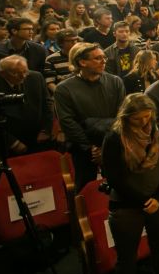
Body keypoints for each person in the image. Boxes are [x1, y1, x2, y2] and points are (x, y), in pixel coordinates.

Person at [101, 94, 159, 274]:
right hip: (127, 204)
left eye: (148, 117)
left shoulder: (157, 131)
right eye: (138, 119)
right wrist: (143, 201)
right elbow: (114, 178)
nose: (145, 123)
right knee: (127, 256)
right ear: (126, 118)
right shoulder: (115, 138)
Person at [54, 42, 125, 191]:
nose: (104, 61)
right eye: (98, 58)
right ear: (82, 62)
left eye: (103, 57)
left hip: (113, 144)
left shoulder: (115, 81)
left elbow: (121, 115)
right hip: (83, 149)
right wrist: (90, 148)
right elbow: (68, 122)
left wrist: (106, 147)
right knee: (86, 191)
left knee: (119, 187)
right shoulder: (64, 89)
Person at [0, 55, 53, 160]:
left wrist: (45, 130)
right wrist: (13, 143)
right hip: (7, 143)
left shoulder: (36, 77)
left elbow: (47, 104)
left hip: (38, 137)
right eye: (16, 73)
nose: (23, 76)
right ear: (2, 73)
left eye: (25, 71)